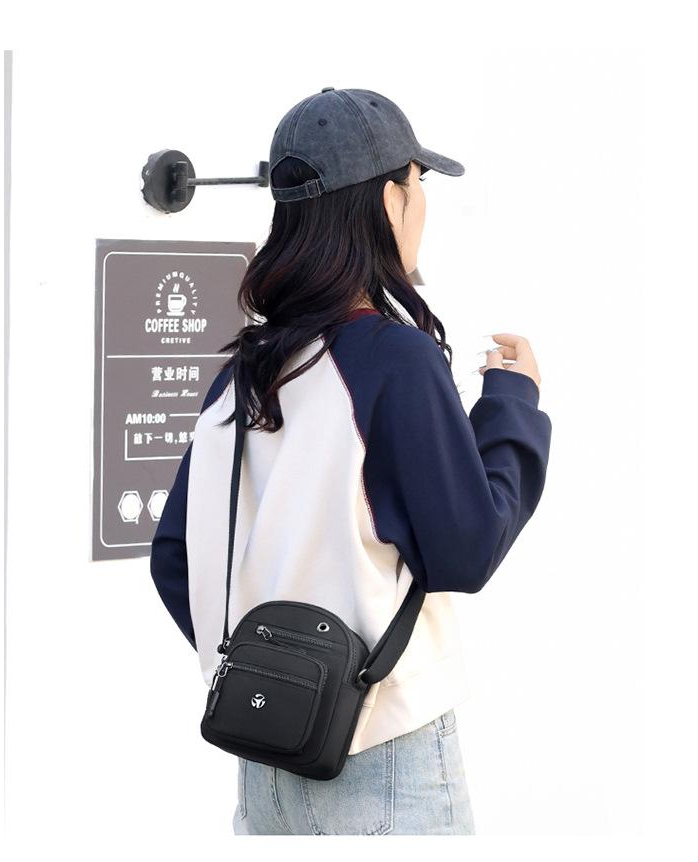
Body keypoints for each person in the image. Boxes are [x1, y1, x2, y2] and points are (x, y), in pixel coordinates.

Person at [150, 88, 552, 835]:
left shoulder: (243, 373)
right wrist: (512, 405)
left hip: (264, 758)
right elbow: (465, 550)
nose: (422, 206)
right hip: (385, 760)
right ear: (389, 201)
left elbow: (176, 557)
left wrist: (267, 671)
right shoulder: (393, 359)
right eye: (418, 184)